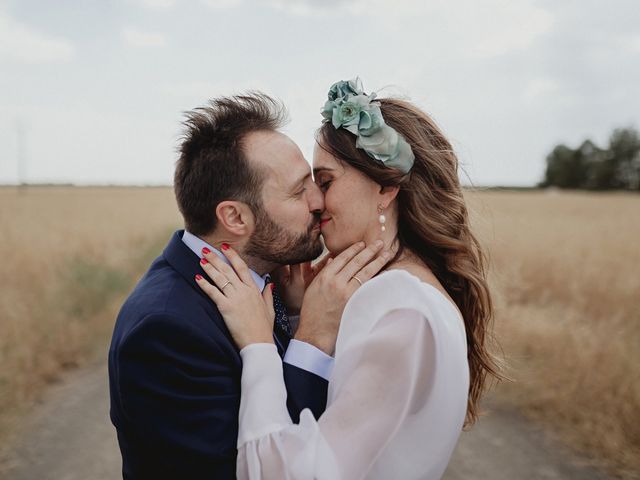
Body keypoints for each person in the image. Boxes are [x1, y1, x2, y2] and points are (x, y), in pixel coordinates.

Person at [195, 78, 501, 479]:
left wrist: (258, 346)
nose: (316, 202)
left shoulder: (402, 308)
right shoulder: (402, 293)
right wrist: (298, 311)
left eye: (325, 182)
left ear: (387, 187)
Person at [108, 92, 386, 479]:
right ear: (235, 217)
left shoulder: (264, 282)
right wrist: (313, 338)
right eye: (298, 190)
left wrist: (290, 315)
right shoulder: (165, 329)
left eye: (315, 182)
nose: (319, 201)